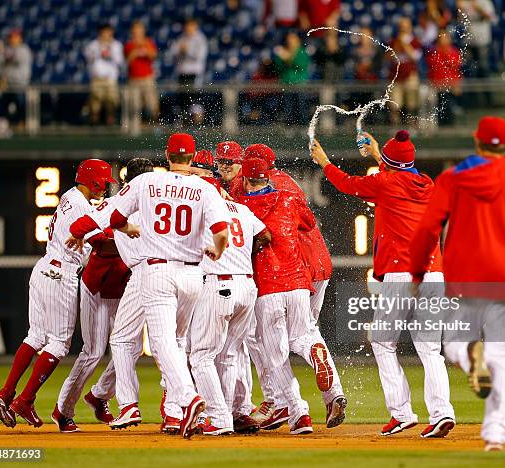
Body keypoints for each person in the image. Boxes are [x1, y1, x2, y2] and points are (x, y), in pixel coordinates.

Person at [410, 116, 505, 451]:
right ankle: (495, 434)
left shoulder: (453, 179)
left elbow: (427, 230)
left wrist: (417, 272)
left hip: (465, 281)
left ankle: (470, 357)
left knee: (453, 345)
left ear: (476, 140)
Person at [69, 133, 231, 438]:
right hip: (194, 275)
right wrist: (218, 250)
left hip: (156, 271)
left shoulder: (146, 184)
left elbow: (109, 216)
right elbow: (222, 232)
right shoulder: (204, 188)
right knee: (177, 342)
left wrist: (79, 229)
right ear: (193, 156)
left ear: (166, 156)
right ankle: (173, 412)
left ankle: (187, 398)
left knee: (159, 342)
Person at [310, 131, 456, 438]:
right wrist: (380, 155)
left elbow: (347, 184)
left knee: (382, 342)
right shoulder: (428, 184)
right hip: (434, 275)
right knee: (430, 349)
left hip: (402, 275)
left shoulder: (384, 183)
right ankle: (442, 413)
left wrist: (324, 162)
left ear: (388, 164)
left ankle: (401, 413)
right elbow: (400, 171)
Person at [0, 160, 117, 428]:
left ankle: (6, 392)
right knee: (59, 343)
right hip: (61, 272)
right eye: (104, 182)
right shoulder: (82, 207)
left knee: (35, 336)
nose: (106, 187)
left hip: (43, 268)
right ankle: (24, 400)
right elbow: (102, 247)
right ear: (94, 180)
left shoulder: (68, 197)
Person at [245, 144, 346, 430]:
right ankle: (324, 376)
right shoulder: (288, 193)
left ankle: (297, 413)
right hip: (301, 278)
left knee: (275, 354)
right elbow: (309, 222)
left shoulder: (240, 204)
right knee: (303, 336)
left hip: (269, 284)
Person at [52, 158, 154, 433]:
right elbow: (101, 244)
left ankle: (99, 396)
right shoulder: (116, 205)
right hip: (97, 285)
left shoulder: (153, 211)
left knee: (130, 348)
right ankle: (63, 410)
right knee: (94, 351)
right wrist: (129, 239)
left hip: (123, 287)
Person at [189, 178, 271, 436]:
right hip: (247, 286)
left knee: (201, 356)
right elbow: (265, 235)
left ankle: (218, 416)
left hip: (219, 284)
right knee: (229, 355)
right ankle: (230, 413)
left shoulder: (204, 210)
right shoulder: (243, 210)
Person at [84, 24, 124, 125]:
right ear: (100, 33)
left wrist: (110, 52)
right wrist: (99, 51)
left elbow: (120, 62)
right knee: (95, 104)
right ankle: (94, 125)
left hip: (111, 79)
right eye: (104, 32)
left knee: (111, 103)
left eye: (108, 32)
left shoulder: (117, 45)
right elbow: (89, 59)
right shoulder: (92, 45)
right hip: (97, 78)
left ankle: (110, 125)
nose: (106, 34)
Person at [0, 30, 32, 127]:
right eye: (11, 37)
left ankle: (22, 125)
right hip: (7, 85)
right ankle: (3, 127)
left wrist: (1, 50)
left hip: (20, 85)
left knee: (21, 106)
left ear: (20, 38)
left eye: (15, 37)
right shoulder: (6, 49)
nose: (12, 39)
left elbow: (12, 58)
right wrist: (0, 51)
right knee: (2, 107)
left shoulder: (24, 49)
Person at [124, 21, 159, 125]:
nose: (137, 31)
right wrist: (135, 52)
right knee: (135, 105)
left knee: (152, 103)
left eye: (139, 29)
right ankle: (137, 127)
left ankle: (156, 125)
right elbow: (127, 61)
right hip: (134, 78)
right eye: (135, 29)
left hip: (147, 77)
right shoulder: (129, 45)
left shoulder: (148, 42)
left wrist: (145, 50)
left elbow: (154, 56)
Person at [388, 18, 422, 126]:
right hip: (396, 76)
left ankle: (412, 124)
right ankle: (395, 126)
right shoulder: (393, 41)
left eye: (405, 26)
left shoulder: (415, 41)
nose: (403, 29)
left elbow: (414, 56)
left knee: (412, 103)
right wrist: (398, 44)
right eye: (401, 26)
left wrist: (404, 44)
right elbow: (388, 57)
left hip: (410, 76)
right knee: (395, 104)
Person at [274, 31, 311, 125]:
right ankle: (290, 127)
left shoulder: (301, 52)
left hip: (299, 84)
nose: (289, 41)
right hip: (286, 84)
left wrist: (288, 58)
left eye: (292, 38)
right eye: (288, 38)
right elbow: (277, 66)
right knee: (288, 109)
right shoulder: (284, 51)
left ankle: (303, 127)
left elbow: (301, 65)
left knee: (301, 108)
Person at [426, 31, 463, 125]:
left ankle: (450, 121)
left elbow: (455, 65)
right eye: (441, 39)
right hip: (436, 84)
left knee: (448, 97)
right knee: (440, 98)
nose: (444, 41)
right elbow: (433, 66)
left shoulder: (454, 52)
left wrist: (445, 52)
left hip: (451, 84)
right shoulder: (433, 52)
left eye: (445, 38)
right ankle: (441, 122)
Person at [457, 0, 496, 78]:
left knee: (483, 67)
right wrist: (459, 8)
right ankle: (469, 90)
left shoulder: (485, 2)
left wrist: (478, 8)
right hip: (467, 39)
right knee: (468, 68)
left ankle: (485, 89)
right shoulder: (464, 2)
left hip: (482, 39)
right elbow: (459, 20)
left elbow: (491, 18)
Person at [170, 18, 208, 86]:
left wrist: (188, 51)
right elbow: (173, 53)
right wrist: (180, 51)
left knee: (193, 94)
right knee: (182, 95)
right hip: (182, 71)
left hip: (194, 72)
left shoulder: (200, 39)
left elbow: (200, 56)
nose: (188, 28)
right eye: (187, 26)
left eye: (191, 26)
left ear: (196, 26)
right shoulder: (181, 37)